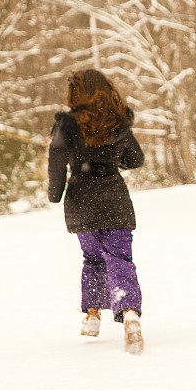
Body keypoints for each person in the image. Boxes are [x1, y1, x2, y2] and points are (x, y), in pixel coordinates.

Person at [48, 68, 145, 354]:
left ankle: (92, 316)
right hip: (114, 198)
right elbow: (135, 159)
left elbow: (56, 161)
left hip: (81, 202)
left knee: (92, 258)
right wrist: (112, 161)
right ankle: (129, 313)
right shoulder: (117, 121)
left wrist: (55, 193)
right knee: (120, 258)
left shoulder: (65, 125)